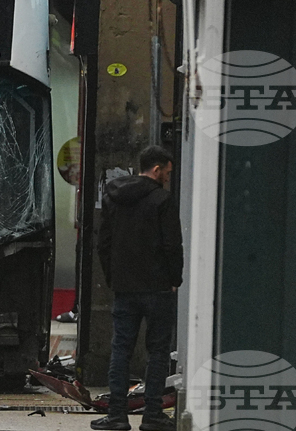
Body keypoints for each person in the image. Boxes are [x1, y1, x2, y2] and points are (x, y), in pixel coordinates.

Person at [91, 145, 183, 431]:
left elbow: (103, 243)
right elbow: (172, 245)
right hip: (157, 289)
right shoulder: (162, 200)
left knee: (121, 349)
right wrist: (174, 280)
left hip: (125, 288)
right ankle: (152, 415)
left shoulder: (114, 196)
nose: (168, 177)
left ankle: (117, 416)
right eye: (167, 173)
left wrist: (113, 278)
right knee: (157, 351)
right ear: (156, 169)